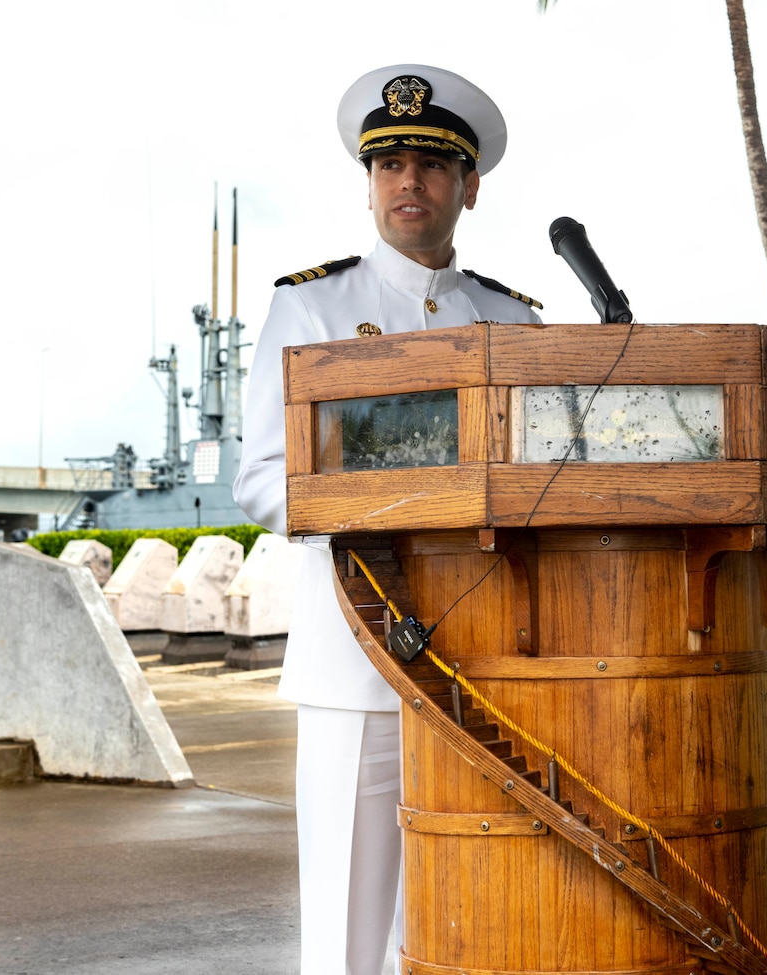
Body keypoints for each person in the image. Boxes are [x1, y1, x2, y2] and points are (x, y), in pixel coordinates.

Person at [233, 64, 543, 975]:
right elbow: (260, 478)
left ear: (469, 186)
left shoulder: (516, 322)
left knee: (475, 907)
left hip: (490, 659)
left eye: (433, 165)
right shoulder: (311, 306)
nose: (409, 181)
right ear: (369, 184)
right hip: (357, 654)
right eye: (390, 165)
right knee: (347, 924)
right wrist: (389, 502)